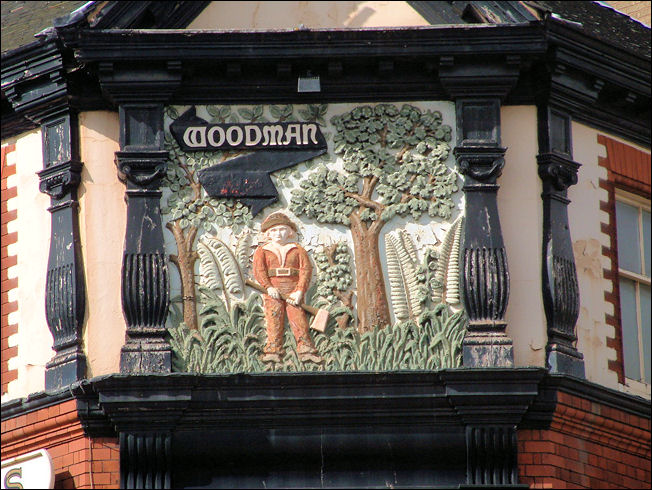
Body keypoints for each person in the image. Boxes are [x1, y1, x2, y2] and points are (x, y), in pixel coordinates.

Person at [252, 212, 322, 364]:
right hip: (273, 290)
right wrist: (268, 287)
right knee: (274, 317)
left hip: (293, 289)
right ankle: (273, 350)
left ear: (290, 232)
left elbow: (305, 270)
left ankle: (306, 350)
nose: (278, 233)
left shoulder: (297, 249)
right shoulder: (262, 251)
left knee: (298, 317)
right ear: (268, 233)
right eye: (274, 230)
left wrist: (300, 291)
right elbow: (259, 270)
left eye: (282, 229)